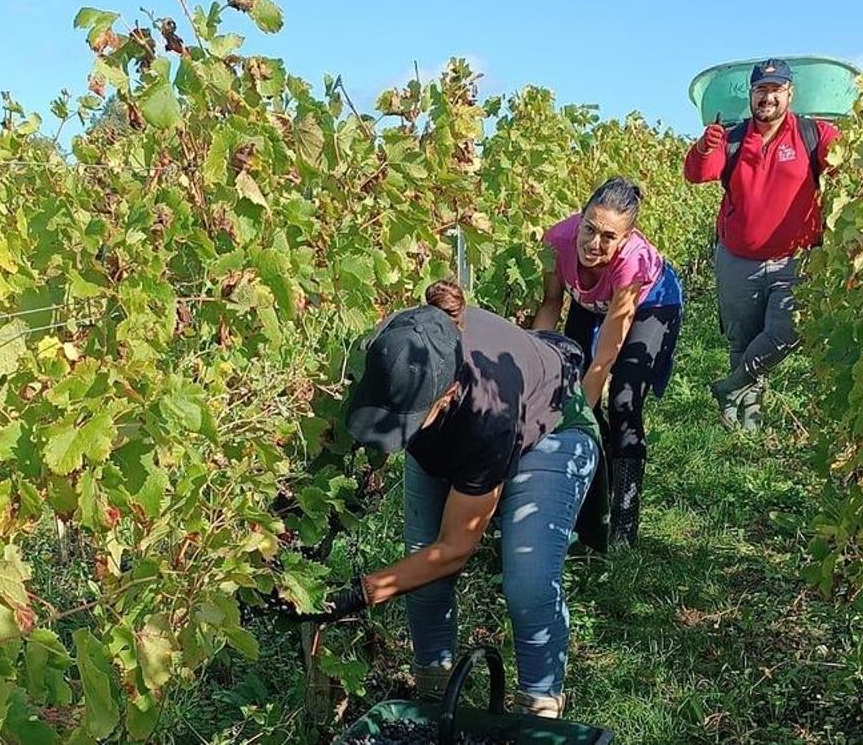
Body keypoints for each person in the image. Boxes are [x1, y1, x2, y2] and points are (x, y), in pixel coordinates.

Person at [285, 279, 600, 719]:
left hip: (550, 424)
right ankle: (434, 697)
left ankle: (538, 708)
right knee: (419, 569)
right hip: (458, 430)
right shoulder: (392, 348)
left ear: (446, 396)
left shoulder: (487, 414)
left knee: (527, 582)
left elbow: (453, 550)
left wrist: (356, 595)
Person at [683, 59, 840, 432]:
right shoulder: (733, 137)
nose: (767, 97)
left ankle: (730, 387)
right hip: (738, 258)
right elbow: (697, 174)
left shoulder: (812, 134)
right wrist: (706, 146)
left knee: (787, 332)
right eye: (761, 90)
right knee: (743, 337)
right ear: (751, 95)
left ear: (790, 93)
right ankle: (746, 420)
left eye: (775, 90)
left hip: (796, 259)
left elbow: (843, 162)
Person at [532, 177, 682, 546]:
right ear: (579, 218)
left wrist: (577, 411)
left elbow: (606, 356)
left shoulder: (633, 264)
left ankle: (624, 525)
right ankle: (595, 495)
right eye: (590, 229)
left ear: (627, 237)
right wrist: (537, 362)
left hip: (650, 305)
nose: (594, 244)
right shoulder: (556, 241)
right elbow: (551, 305)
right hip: (589, 302)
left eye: (608, 238)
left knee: (623, 401)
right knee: (571, 387)